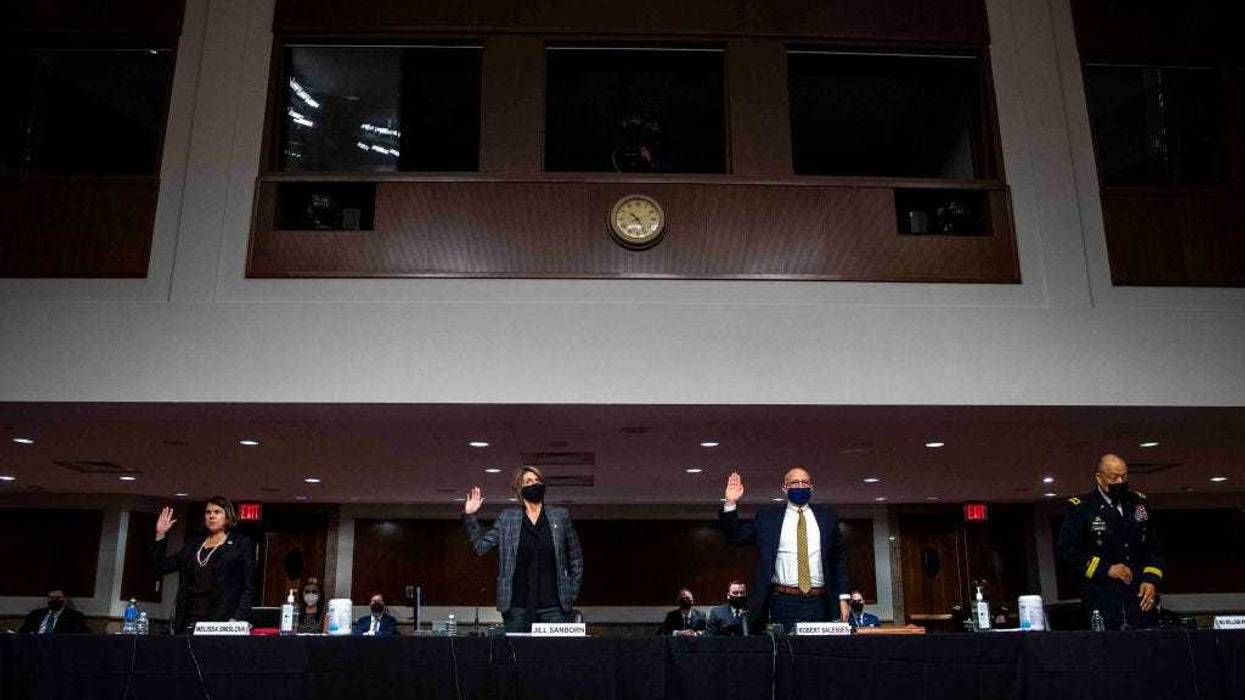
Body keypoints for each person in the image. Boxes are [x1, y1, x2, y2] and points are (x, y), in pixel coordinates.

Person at [719, 468, 850, 630]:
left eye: (805, 483)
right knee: (786, 651)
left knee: (819, 651)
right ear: (784, 488)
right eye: (795, 483)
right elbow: (737, 536)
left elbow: (838, 559)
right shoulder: (768, 517)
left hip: (821, 600)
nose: (800, 486)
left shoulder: (827, 517)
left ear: (811, 486)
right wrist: (730, 502)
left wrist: (843, 597)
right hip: (783, 600)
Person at [463, 466, 584, 633]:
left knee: (554, 656)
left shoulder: (560, 516)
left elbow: (576, 557)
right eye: (528, 481)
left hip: (555, 607)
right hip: (516, 607)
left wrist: (571, 592)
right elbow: (480, 547)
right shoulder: (507, 519)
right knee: (517, 656)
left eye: (537, 480)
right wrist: (470, 516)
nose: (534, 484)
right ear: (520, 489)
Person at [1056, 454, 1165, 630]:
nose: (1120, 481)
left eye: (1124, 476)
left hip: (1139, 598)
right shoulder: (1082, 508)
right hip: (1102, 599)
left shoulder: (1140, 504)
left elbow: (1154, 549)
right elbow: (1067, 552)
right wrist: (1107, 569)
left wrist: (1151, 580)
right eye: (1114, 477)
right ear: (1099, 477)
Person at [153, 497, 256, 634]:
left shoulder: (241, 544)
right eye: (208, 512)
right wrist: (160, 534)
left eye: (217, 512)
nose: (212, 516)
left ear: (227, 516)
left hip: (222, 621)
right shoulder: (193, 546)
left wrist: (237, 619)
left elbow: (249, 586)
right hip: (189, 622)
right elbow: (161, 566)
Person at [18, 589, 89, 634]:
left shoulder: (75, 616)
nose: (54, 600)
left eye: (58, 598)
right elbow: (22, 631)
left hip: (58, 647)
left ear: (65, 599)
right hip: (36, 645)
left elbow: (81, 634)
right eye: (51, 598)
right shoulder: (35, 614)